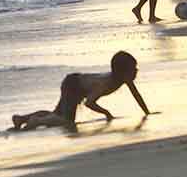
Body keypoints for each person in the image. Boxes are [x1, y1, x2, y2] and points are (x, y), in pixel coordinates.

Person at [11, 51, 151, 130]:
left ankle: (21, 118)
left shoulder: (123, 79)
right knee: (66, 120)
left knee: (56, 113)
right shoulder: (106, 84)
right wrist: (106, 113)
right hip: (74, 85)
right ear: (123, 72)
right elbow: (89, 103)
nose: (136, 70)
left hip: (74, 81)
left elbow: (136, 94)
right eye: (133, 69)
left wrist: (147, 112)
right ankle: (36, 122)